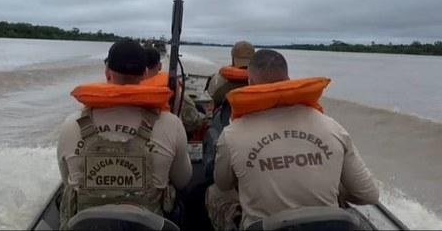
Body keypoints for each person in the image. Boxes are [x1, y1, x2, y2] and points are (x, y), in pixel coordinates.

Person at [207, 49, 379, 230]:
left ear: (249, 83)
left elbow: (223, 183)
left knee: (214, 193)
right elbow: (369, 195)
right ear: (288, 81)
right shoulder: (332, 127)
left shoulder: (232, 134)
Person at [56, 39, 192, 228]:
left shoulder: (71, 125)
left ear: (107, 72)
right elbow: (183, 179)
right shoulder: (171, 124)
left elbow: (66, 179)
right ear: (145, 74)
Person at [202, 41, 255, 180]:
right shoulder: (261, 80)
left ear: (233, 58)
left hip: (225, 123)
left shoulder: (219, 78)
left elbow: (212, 95)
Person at [141, 46, 205, 134]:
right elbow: (192, 121)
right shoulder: (171, 85)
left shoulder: (131, 88)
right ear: (159, 66)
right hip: (168, 131)